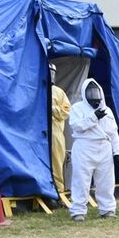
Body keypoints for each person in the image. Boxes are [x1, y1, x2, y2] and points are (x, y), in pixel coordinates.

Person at [68, 78, 119, 221]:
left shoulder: (107, 110)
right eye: (90, 92)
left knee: (106, 181)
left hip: (104, 148)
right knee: (81, 180)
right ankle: (78, 211)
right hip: (84, 147)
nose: (93, 96)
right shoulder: (77, 108)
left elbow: (113, 132)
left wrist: (118, 152)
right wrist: (93, 117)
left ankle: (108, 209)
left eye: (95, 92)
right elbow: (77, 126)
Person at [48, 62, 71, 198]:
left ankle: (59, 193)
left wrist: (52, 109)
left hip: (55, 133)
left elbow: (66, 110)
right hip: (37, 133)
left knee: (57, 162)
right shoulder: (36, 89)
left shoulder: (58, 92)